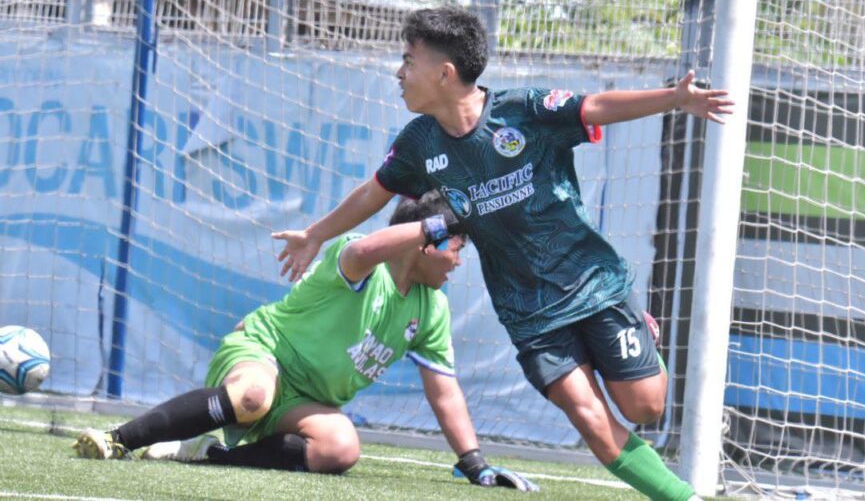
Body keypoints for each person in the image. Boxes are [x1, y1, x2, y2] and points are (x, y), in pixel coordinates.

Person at [273, 7, 734, 500]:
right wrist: (316, 234)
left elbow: (595, 106)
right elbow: (373, 193)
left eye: (408, 60)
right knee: (590, 419)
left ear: (445, 73)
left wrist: (675, 98)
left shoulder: (524, 110)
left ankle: (641, 335)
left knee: (644, 407)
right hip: (528, 312)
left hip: (593, 284)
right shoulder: (418, 143)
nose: (399, 72)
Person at [73, 190, 537, 491]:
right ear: (425, 244)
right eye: (456, 248)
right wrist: (437, 224)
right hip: (263, 353)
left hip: (303, 401)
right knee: (253, 395)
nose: (458, 262)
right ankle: (118, 439)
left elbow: (445, 390)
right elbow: (362, 249)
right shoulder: (361, 261)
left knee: (341, 447)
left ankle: (211, 454)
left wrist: (475, 463)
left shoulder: (431, 308)